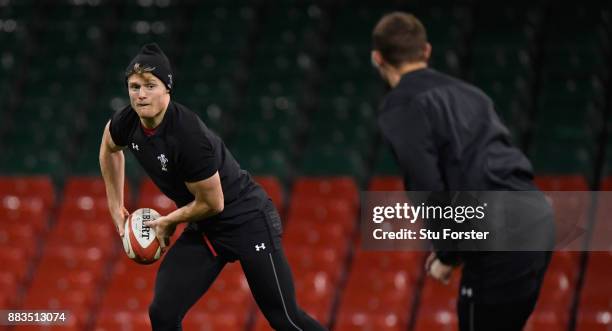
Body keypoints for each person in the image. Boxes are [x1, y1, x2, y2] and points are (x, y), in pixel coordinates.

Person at [99, 43, 327, 331]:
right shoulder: (127, 121)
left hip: (247, 220)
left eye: (149, 85)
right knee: (163, 313)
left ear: (167, 88)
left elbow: (213, 203)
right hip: (206, 229)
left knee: (286, 319)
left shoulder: (188, 136)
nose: (140, 94)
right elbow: (109, 149)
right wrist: (116, 209)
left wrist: (168, 221)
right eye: (133, 86)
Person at [370, 12, 554, 331]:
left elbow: (427, 185)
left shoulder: (401, 105)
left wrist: (447, 254)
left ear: (377, 58)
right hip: (536, 218)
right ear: (426, 51)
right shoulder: (472, 94)